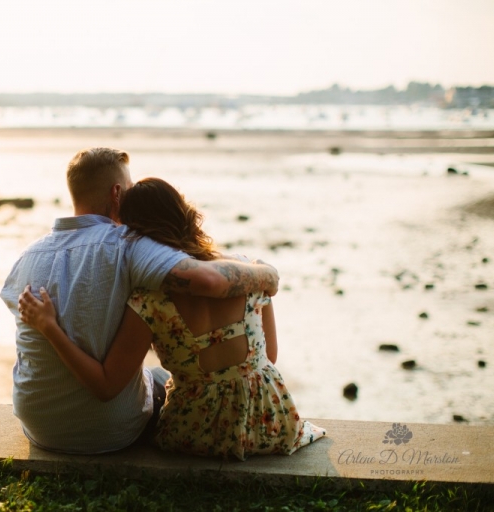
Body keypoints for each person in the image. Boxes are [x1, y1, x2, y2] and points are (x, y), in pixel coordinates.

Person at [18, 177, 325, 459]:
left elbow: (107, 385)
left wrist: (49, 326)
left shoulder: (148, 301)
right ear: (183, 213)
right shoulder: (249, 275)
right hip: (267, 426)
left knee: (158, 378)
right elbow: (268, 357)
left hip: (193, 434)